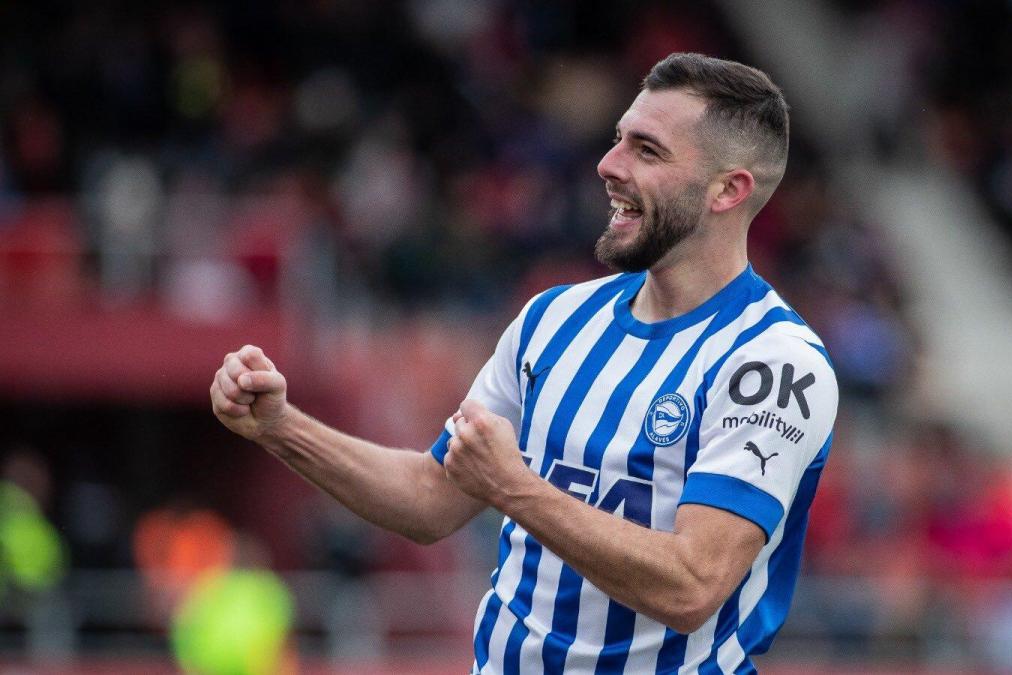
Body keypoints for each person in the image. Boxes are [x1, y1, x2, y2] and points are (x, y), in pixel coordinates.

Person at [210, 53, 838, 674]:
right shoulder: (554, 320)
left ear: (728, 190)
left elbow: (692, 587)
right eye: (617, 139)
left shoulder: (774, 365)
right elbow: (432, 500)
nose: (608, 165)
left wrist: (515, 486)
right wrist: (281, 427)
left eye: (647, 151)